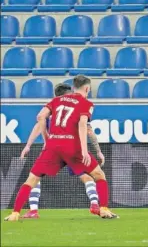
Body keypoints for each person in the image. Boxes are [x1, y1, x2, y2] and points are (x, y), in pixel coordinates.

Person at [4, 75, 118, 221]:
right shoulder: (86, 103)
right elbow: (83, 125)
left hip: (53, 146)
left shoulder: (56, 100)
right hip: (73, 147)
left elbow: (40, 117)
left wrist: (47, 139)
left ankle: (15, 213)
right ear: (87, 88)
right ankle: (103, 209)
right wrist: (84, 150)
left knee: (31, 179)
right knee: (99, 175)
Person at [20, 83, 105, 219]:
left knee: (35, 178)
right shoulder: (77, 107)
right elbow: (89, 131)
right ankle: (95, 204)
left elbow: (38, 124)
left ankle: (33, 210)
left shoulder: (52, 107)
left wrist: (28, 145)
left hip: (53, 150)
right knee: (87, 176)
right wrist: (98, 151)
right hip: (72, 150)